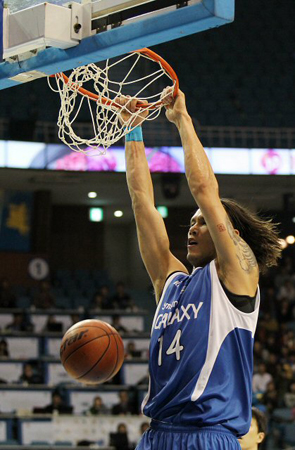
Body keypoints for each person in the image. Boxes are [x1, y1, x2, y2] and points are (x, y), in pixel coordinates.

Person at [118, 89, 282, 449]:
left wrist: (181, 120)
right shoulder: (170, 282)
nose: (192, 227)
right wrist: (132, 130)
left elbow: (205, 190)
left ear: (231, 236)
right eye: (191, 223)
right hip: (157, 434)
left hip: (208, 435)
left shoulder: (238, 275)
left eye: (202, 222)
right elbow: (142, 203)